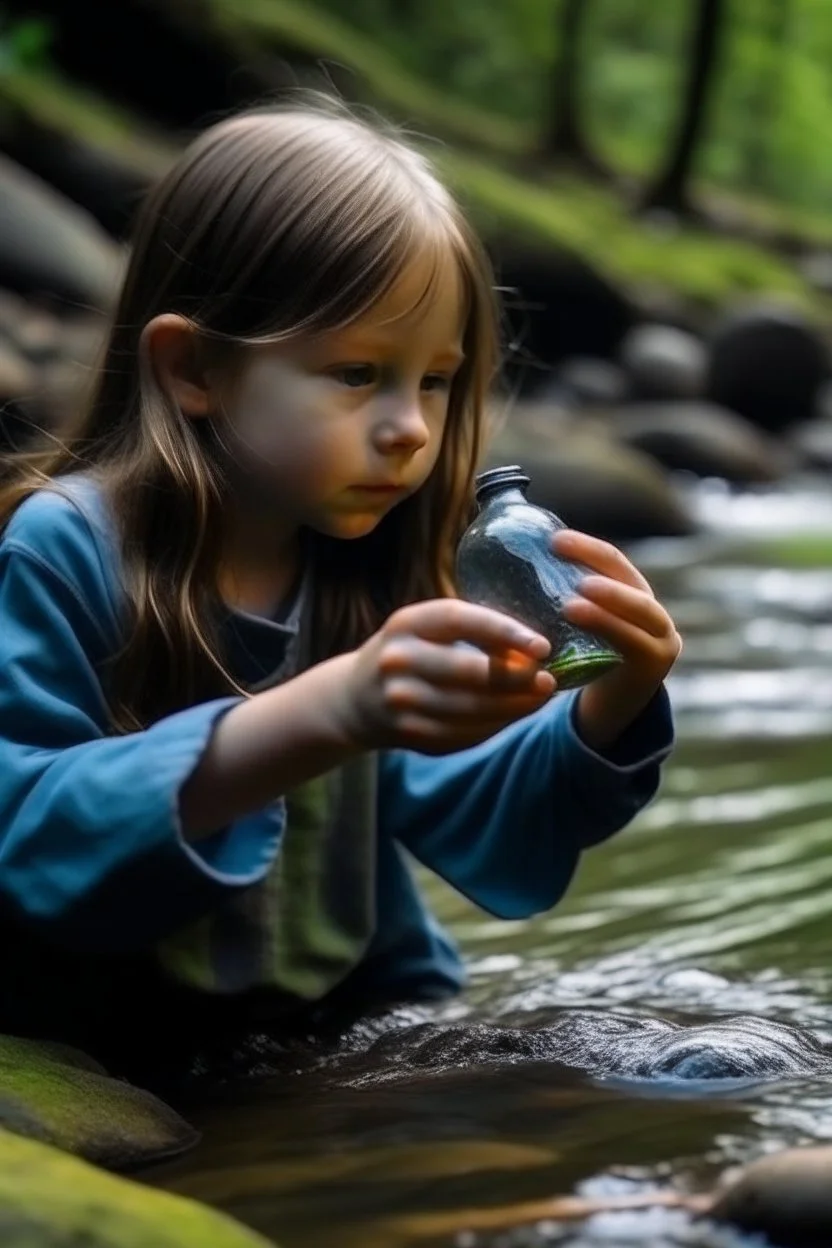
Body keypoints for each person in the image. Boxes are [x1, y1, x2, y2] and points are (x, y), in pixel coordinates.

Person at [0, 98, 680, 1092]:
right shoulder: (70, 547)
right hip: (114, 1050)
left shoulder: (362, 566)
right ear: (193, 368)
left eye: (437, 382)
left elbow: (467, 796)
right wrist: (319, 714)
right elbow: (23, 827)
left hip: (347, 1032)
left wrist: (603, 701)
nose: (411, 428)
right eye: (358, 372)